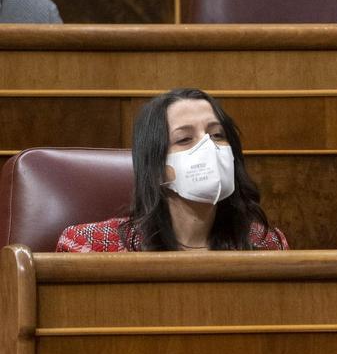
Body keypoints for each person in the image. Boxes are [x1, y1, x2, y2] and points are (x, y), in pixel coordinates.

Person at [56, 88, 287, 251]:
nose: (209, 148)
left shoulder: (265, 243)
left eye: (217, 135)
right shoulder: (92, 246)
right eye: (185, 139)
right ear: (156, 169)